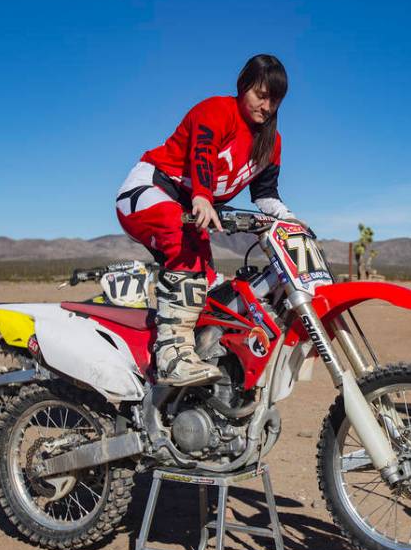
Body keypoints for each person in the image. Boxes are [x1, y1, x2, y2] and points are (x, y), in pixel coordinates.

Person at [116, 54, 296, 385]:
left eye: (275, 100)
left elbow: (266, 195)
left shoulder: (272, 143)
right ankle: (171, 358)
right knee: (181, 238)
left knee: (215, 291)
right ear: (243, 88)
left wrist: (292, 222)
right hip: (149, 190)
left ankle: (203, 367)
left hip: (192, 215)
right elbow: (203, 153)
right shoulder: (217, 110)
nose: (267, 106)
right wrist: (202, 194)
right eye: (261, 95)